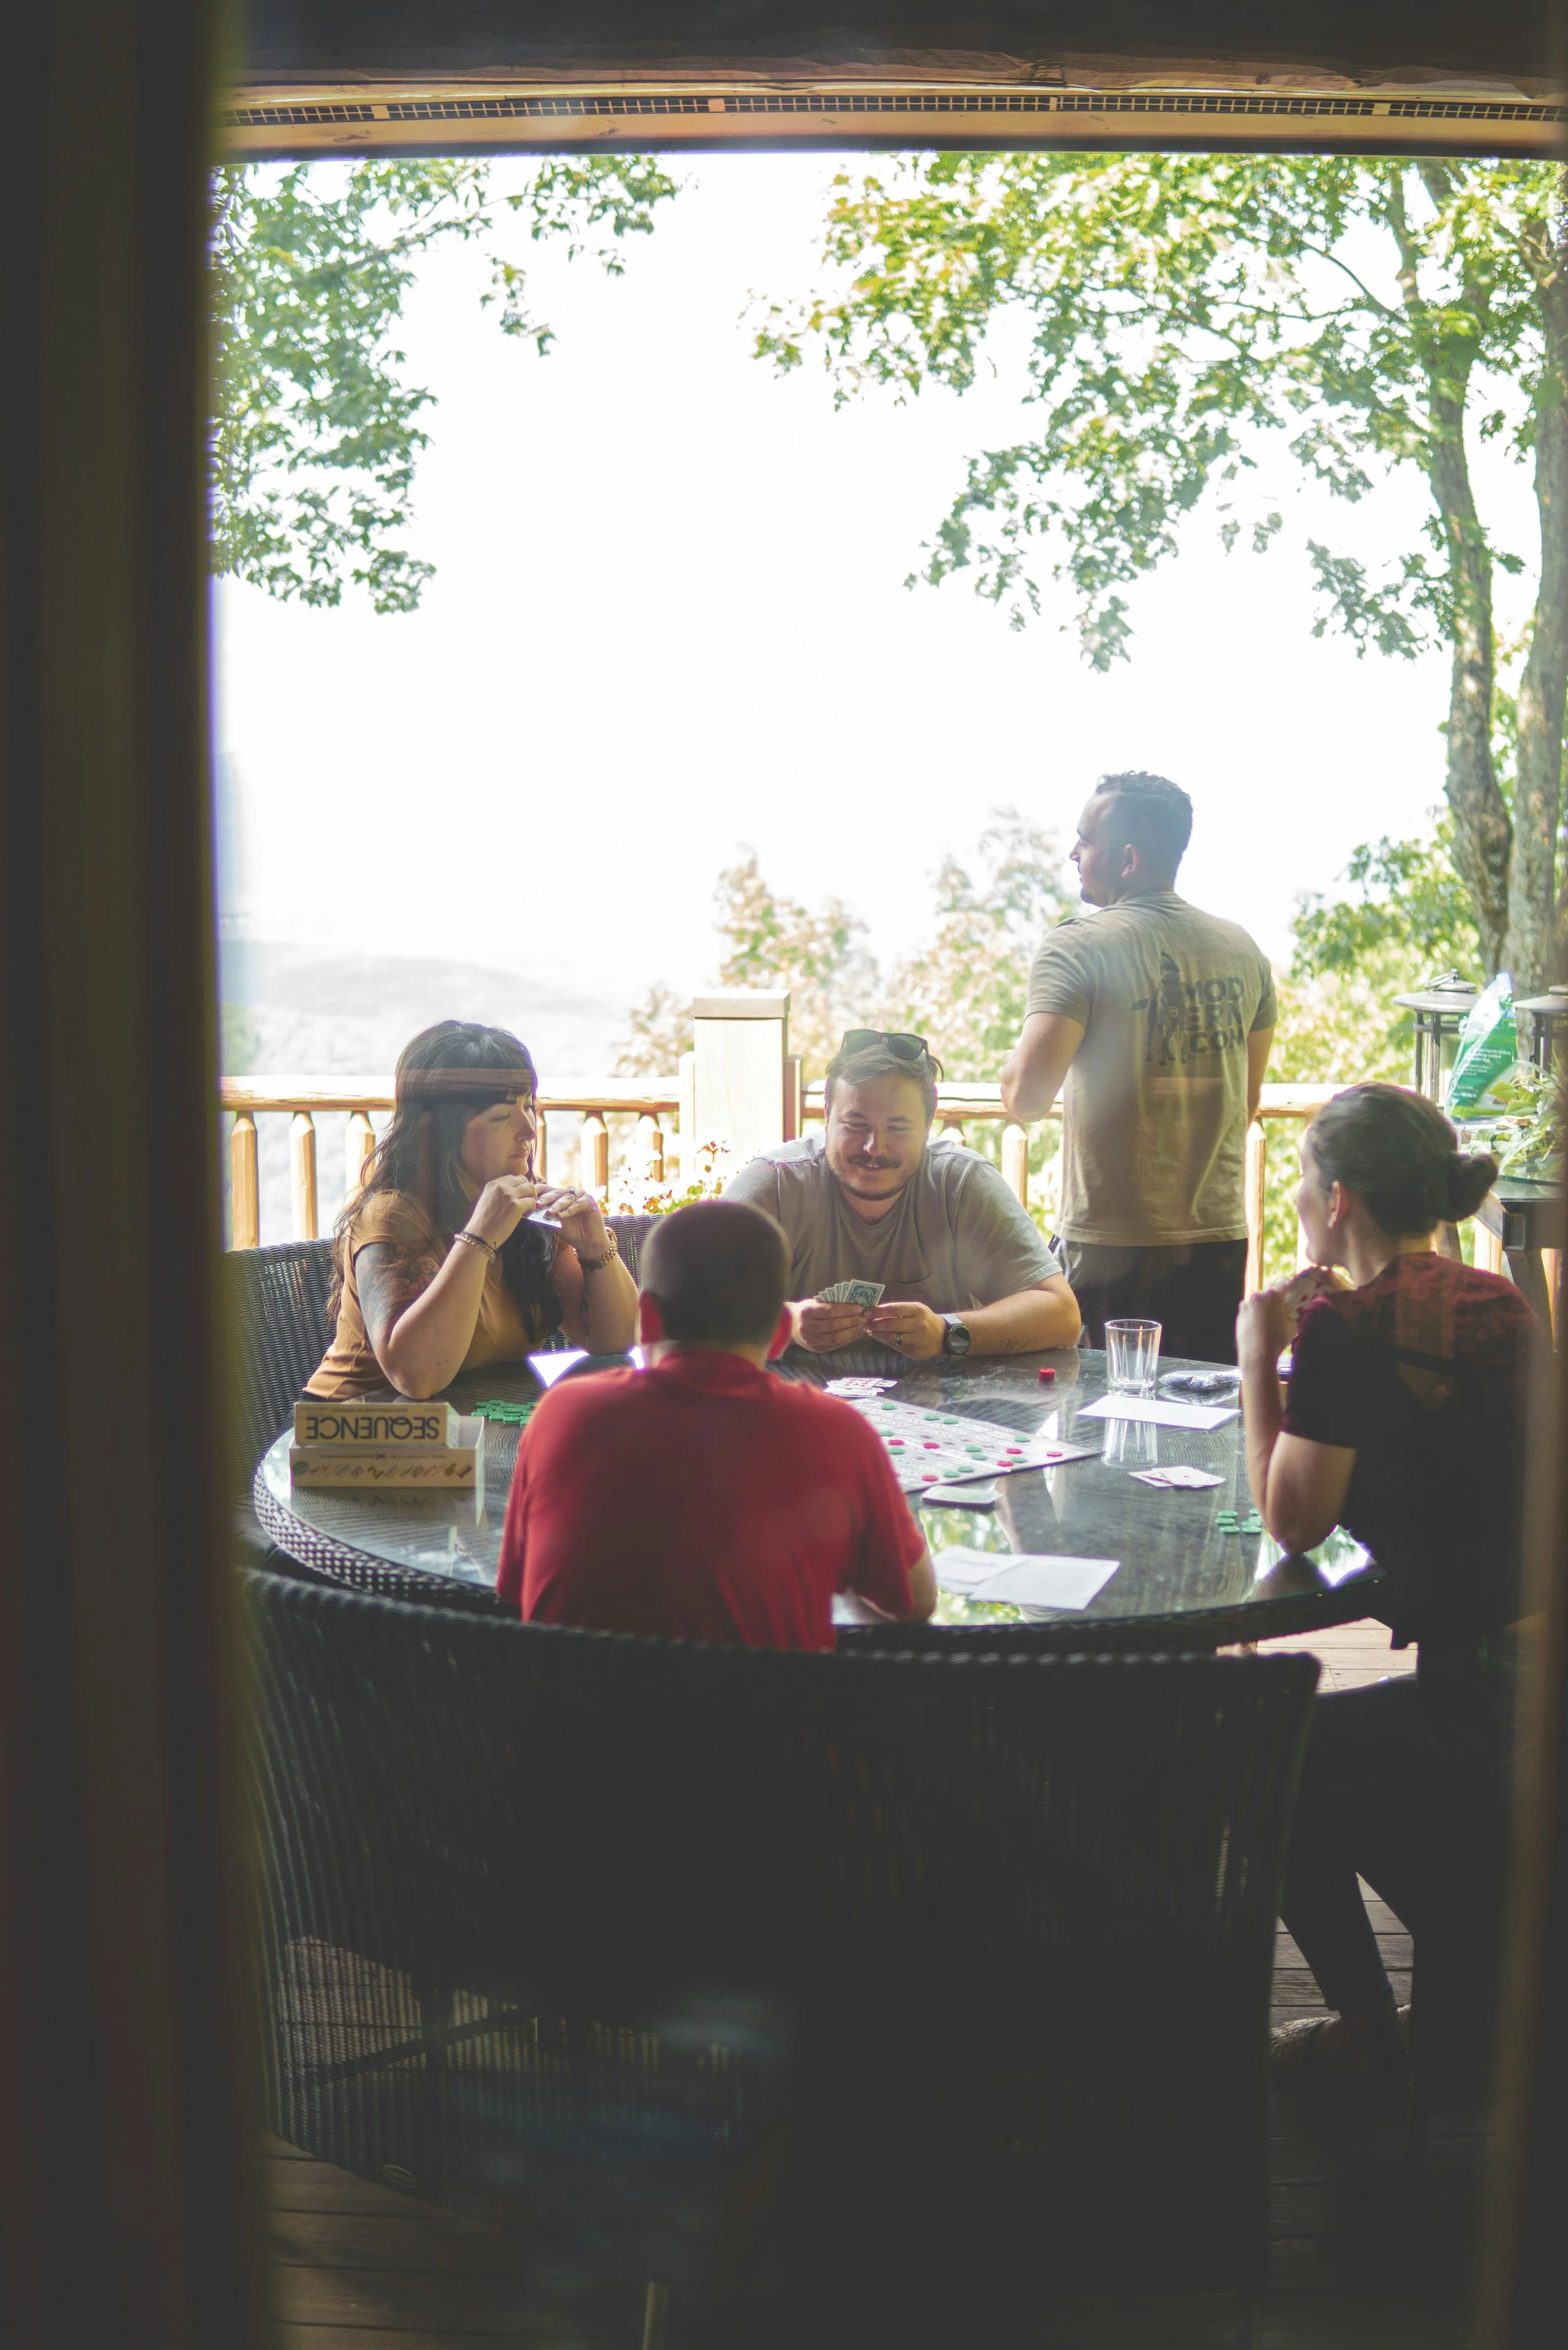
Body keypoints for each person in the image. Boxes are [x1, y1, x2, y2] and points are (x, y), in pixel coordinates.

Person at [1236, 1084, 1540, 2102]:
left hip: (1478, 1697)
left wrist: (1257, 1358)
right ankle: (1469, 1996)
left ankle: (1375, 2032)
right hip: (1538, 1666)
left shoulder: (1346, 1328)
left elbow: (1292, 1519)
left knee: (1270, 1764)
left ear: (1337, 1203)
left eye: (1304, 1181)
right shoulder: (1496, 1299)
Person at [497, 1199, 938, 1645]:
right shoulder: (837, 1432)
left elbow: (517, 1590)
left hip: (569, 1714)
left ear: (646, 1319)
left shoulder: (560, 1413)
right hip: (764, 1713)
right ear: (781, 1335)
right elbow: (914, 1601)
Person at [1000, 771, 1275, 1363]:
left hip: (1110, 1240)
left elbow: (1024, 1097)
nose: (1073, 853)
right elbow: (1244, 1101)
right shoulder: (1242, 950)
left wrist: (1010, 1062)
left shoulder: (1077, 946)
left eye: (1085, 840)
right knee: (1201, 1418)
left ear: (1127, 859)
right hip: (1216, 1236)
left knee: (1101, 1418)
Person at [305, 1020, 637, 1399]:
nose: (529, 1131)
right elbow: (417, 1378)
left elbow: (616, 1343)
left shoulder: (523, 1209)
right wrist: (479, 1238)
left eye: (529, 1107)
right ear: (439, 1130)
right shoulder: (395, 1213)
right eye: (501, 1116)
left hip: (472, 1430)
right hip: (356, 1435)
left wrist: (595, 1249)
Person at [723, 1030, 1079, 1360]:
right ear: (828, 1114)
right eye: (856, 1125)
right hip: (794, 1404)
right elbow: (687, 1309)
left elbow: (1061, 1314)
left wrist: (947, 1331)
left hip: (939, 1411)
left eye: (898, 1127)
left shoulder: (961, 1183)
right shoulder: (775, 1184)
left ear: (929, 1124)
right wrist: (787, 1322)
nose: (874, 1147)